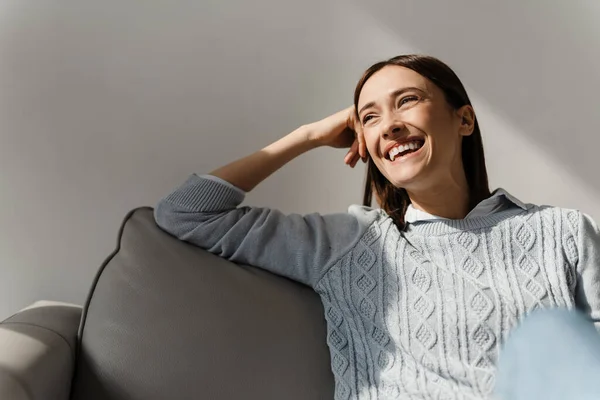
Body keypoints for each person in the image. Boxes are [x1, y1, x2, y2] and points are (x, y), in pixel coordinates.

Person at [154, 54, 600, 399]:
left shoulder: (561, 231)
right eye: (369, 117)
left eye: (407, 101)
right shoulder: (349, 245)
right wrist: (308, 135)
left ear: (463, 119)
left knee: (552, 335)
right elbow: (187, 212)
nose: (389, 125)